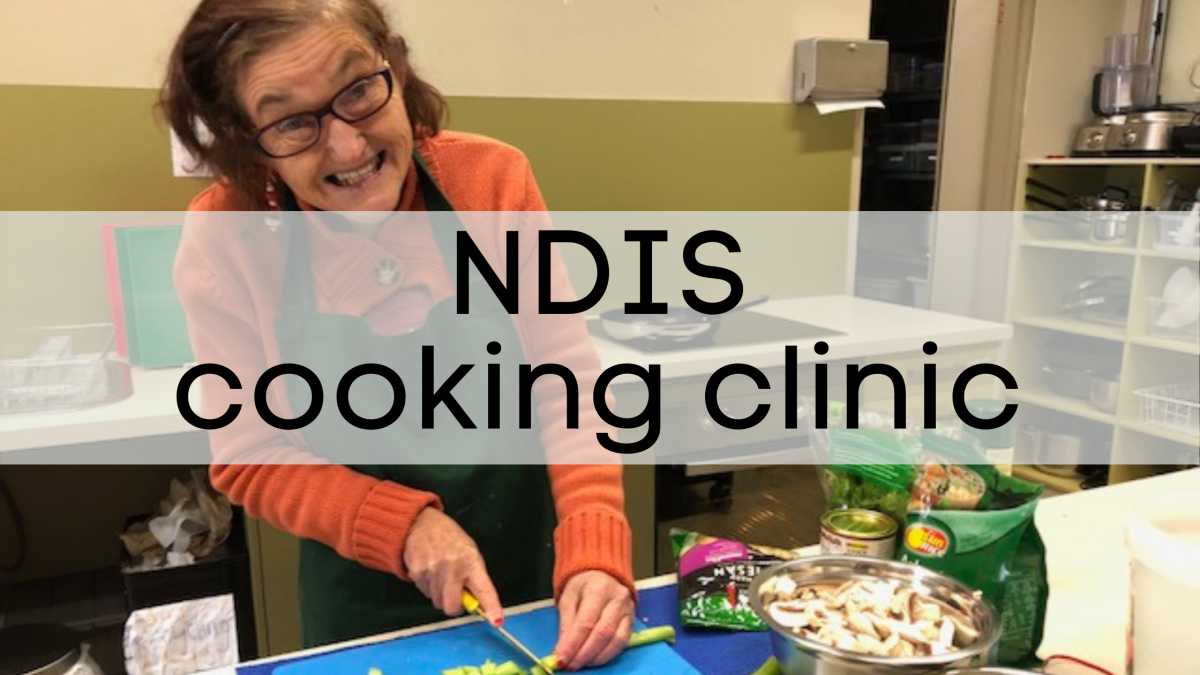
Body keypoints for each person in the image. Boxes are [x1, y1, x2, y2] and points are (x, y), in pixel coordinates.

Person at [161, 0, 635, 669]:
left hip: (534, 585)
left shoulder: (490, 182)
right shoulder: (227, 238)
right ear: (244, 137)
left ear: (397, 67)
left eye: (358, 90)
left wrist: (593, 541)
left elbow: (567, 381)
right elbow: (250, 453)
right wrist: (403, 525)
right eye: (292, 122)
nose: (349, 147)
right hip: (361, 609)